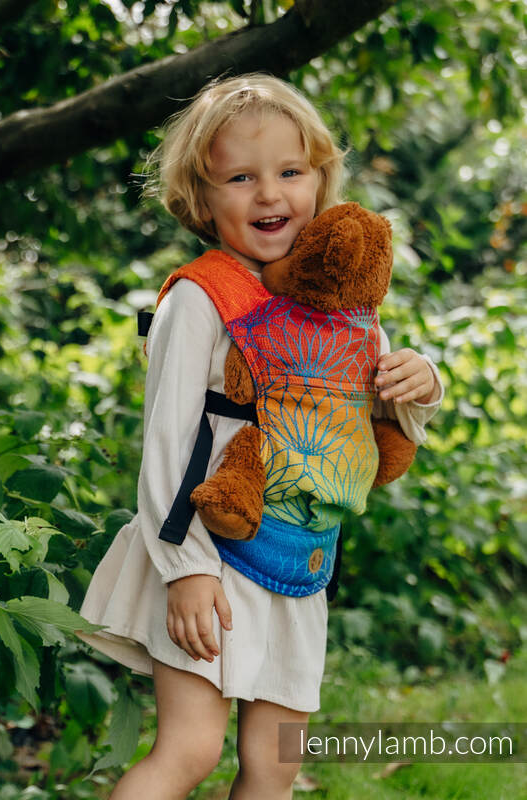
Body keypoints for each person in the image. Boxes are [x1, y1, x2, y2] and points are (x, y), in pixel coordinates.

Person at [78, 74, 444, 800]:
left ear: (320, 180)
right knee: (188, 752)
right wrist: (185, 568)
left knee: (273, 766)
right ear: (200, 197)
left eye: (290, 172)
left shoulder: (341, 301)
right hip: (210, 556)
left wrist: (422, 380)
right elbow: (167, 444)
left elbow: (376, 408)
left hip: (299, 559)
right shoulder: (200, 296)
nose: (269, 194)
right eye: (240, 178)